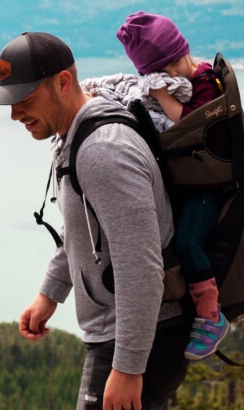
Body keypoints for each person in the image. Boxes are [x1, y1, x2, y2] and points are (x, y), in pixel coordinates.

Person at [0, 31, 191, 410]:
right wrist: (50, 293)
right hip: (129, 330)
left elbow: (139, 266)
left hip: (142, 335)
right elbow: (87, 230)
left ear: (62, 82)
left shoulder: (103, 151)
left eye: (24, 99)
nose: (14, 114)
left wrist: (128, 368)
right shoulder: (71, 136)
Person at [117, 11, 230, 362]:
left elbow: (189, 123)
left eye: (166, 71)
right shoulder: (190, 76)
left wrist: (160, 94)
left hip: (208, 185)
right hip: (193, 180)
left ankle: (212, 317)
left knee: (188, 242)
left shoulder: (207, 81)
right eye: (156, 75)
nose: (165, 79)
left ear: (179, 54)